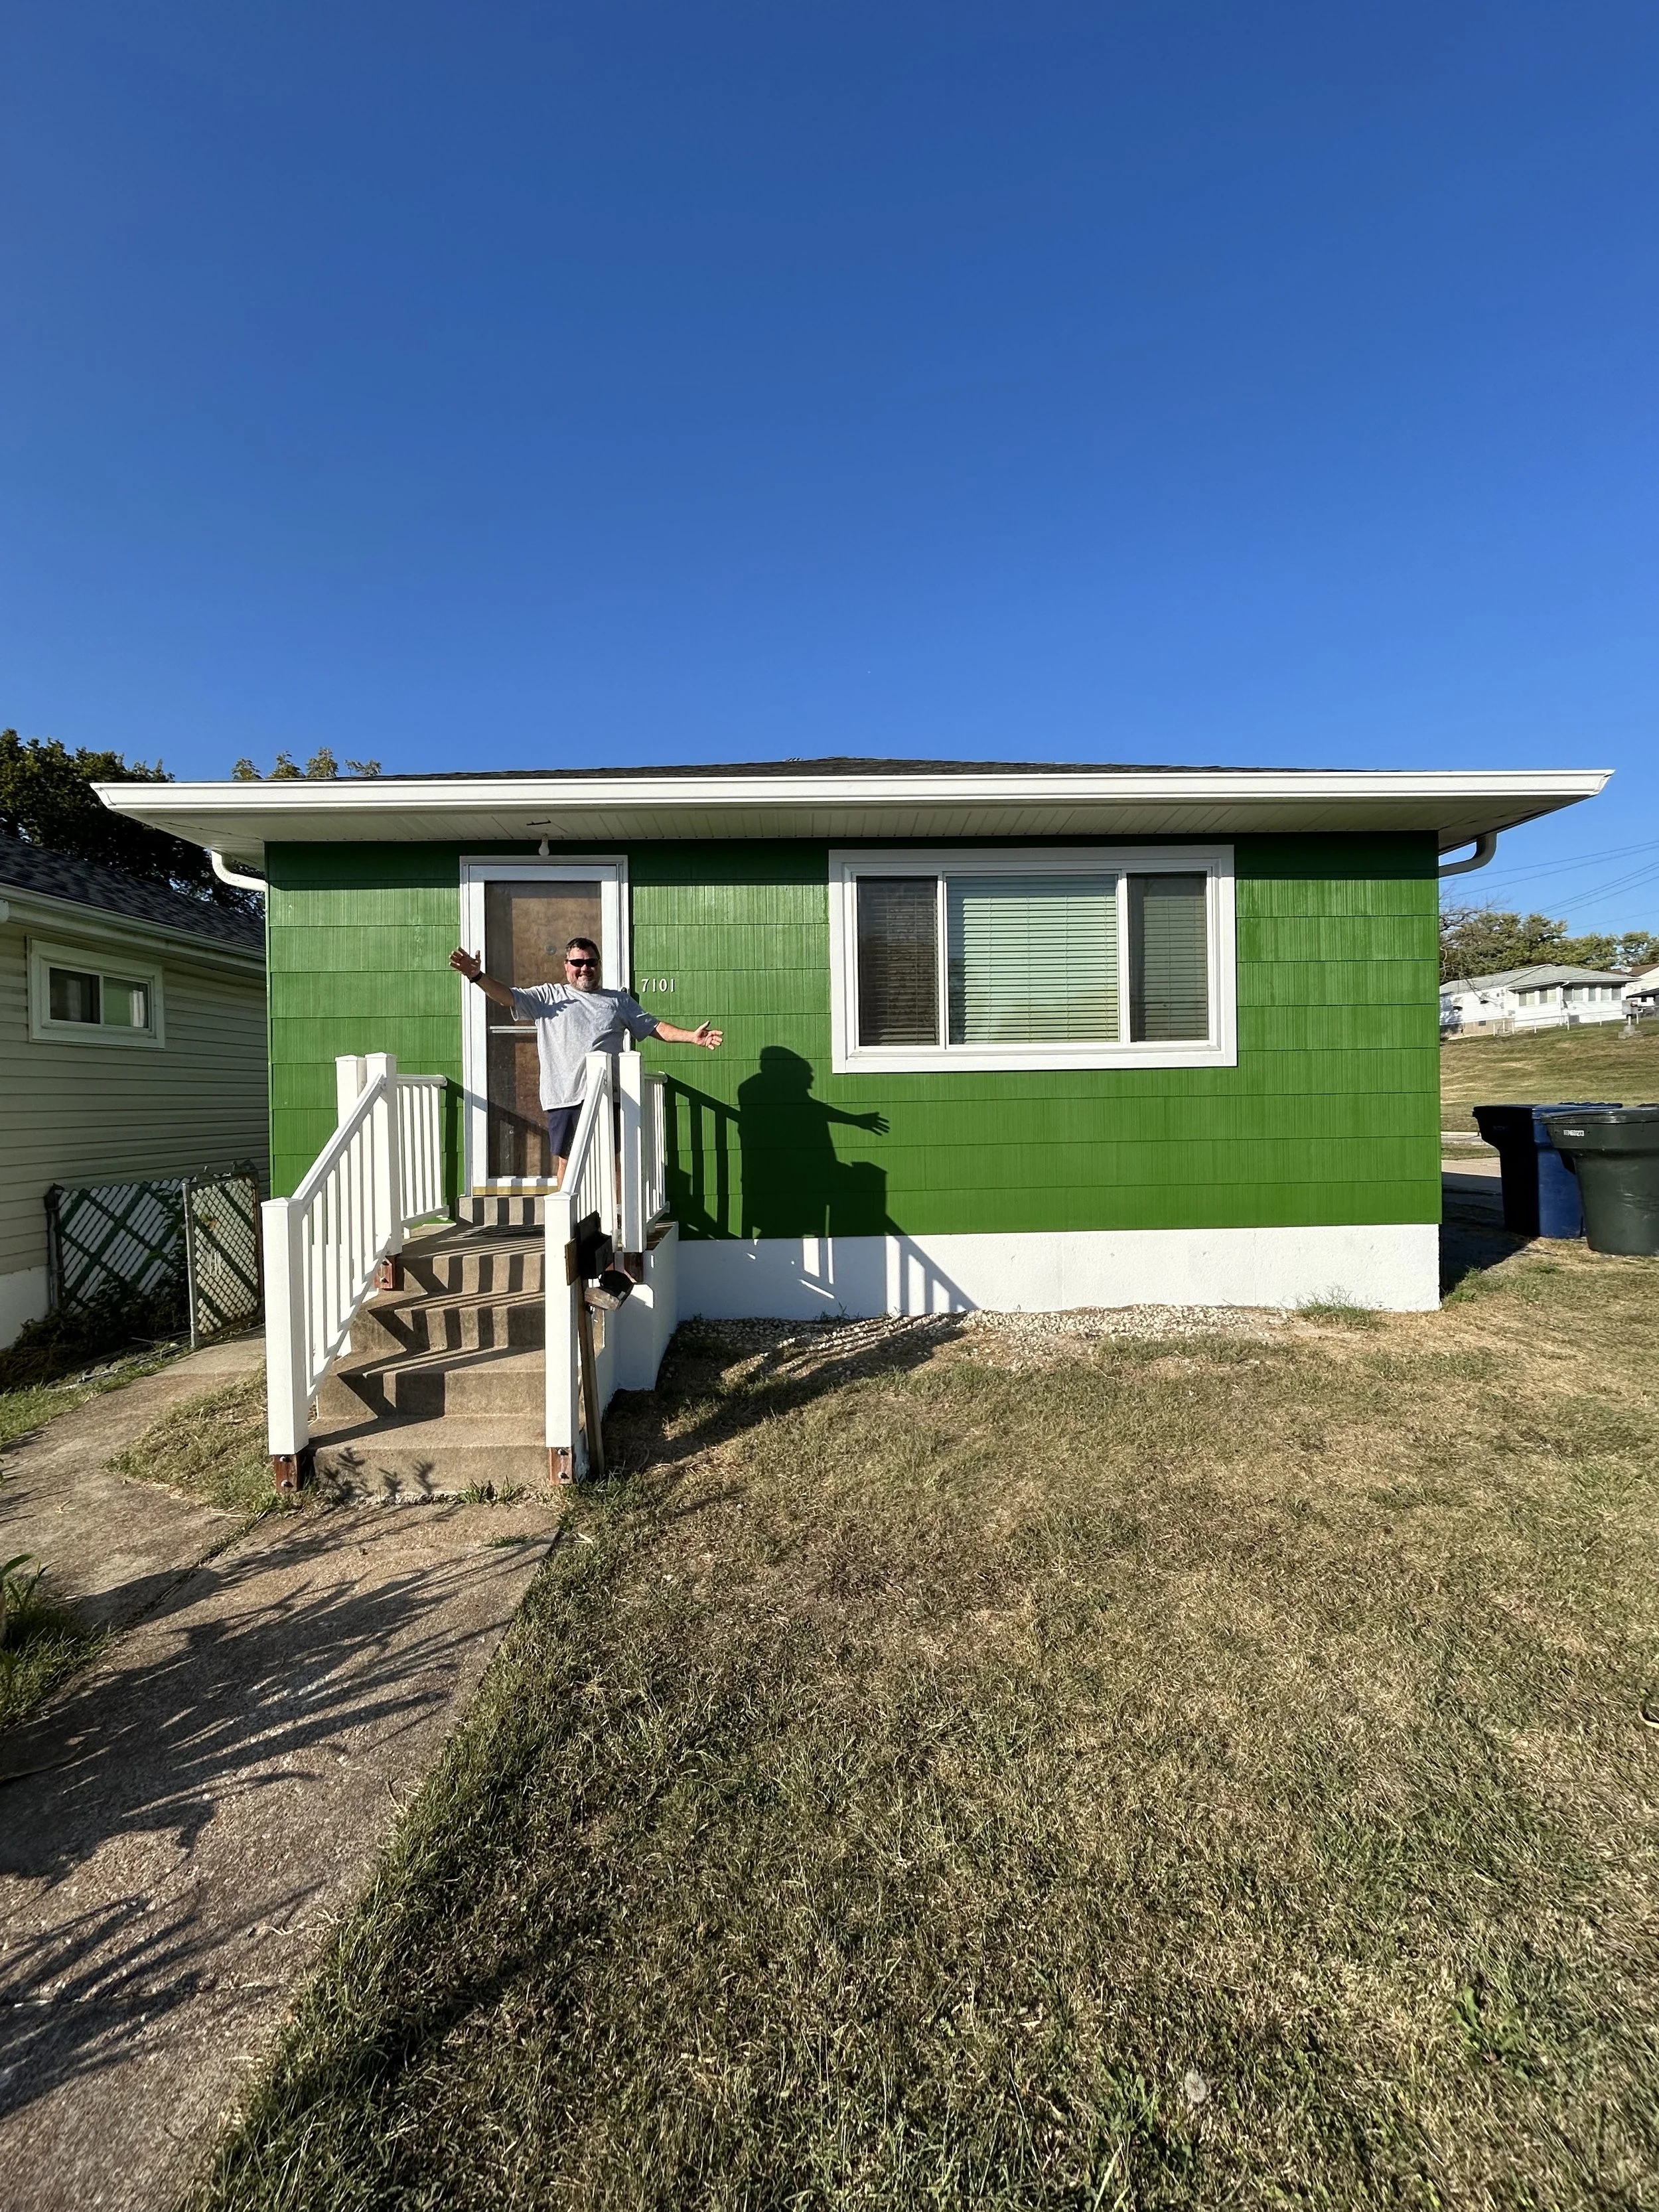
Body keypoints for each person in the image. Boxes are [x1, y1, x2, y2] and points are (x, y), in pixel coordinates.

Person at [449, 937, 721, 1189]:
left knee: (613, 1160)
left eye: (590, 962)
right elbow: (506, 996)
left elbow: (652, 1027)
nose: (584, 968)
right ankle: (568, 1227)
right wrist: (477, 976)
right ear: (566, 966)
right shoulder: (548, 997)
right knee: (567, 1161)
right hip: (565, 1098)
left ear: (598, 965)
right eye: (577, 963)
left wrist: (692, 1037)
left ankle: (617, 1221)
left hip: (609, 1096)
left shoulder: (618, 1001)